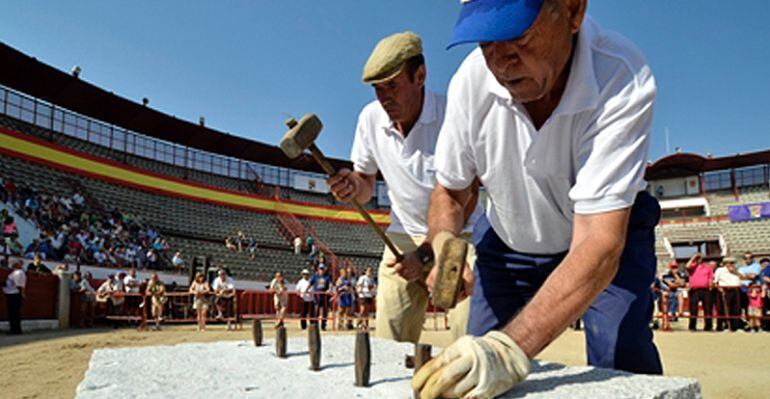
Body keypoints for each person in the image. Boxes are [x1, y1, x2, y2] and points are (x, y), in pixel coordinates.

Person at [401, 2, 667, 396]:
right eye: (486, 41)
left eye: (517, 34)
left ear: (573, 11)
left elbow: (599, 240)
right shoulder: (470, 82)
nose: (501, 61)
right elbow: (452, 192)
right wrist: (442, 243)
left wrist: (508, 351)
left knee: (621, 361)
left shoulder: (620, 75)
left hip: (604, 234)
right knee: (472, 372)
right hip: (509, 239)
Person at [327, 31, 482, 343]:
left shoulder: (454, 116)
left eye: (393, 86)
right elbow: (366, 184)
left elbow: (468, 194)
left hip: (461, 235)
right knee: (389, 339)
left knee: (469, 337)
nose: (385, 98)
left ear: (420, 76)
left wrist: (427, 253)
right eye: (378, 90)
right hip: (402, 234)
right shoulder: (370, 119)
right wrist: (350, 186)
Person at [686, 254, 715, 331]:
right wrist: (694, 257)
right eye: (697, 258)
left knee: (708, 308)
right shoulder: (692, 266)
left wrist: (710, 286)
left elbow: (710, 278)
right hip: (694, 290)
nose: (699, 259)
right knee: (693, 309)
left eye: (700, 258)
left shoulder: (708, 268)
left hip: (705, 290)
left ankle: (708, 326)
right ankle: (692, 326)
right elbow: (687, 266)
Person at [713, 257, 742, 332]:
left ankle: (735, 326)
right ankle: (725, 325)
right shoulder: (720, 270)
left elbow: (741, 278)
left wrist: (736, 272)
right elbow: (715, 281)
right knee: (724, 309)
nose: (732, 264)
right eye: (730, 263)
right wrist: (720, 289)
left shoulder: (736, 270)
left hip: (735, 290)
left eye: (733, 263)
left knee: (736, 309)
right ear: (726, 263)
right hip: (725, 290)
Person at [3, 260, 26, 335]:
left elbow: (19, 285)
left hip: (14, 295)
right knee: (14, 313)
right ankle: (15, 329)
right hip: (13, 294)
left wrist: (21, 294)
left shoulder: (18, 273)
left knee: (14, 313)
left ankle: (15, 330)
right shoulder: (16, 272)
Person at [738, 252, 761, 320]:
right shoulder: (741, 267)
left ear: (752, 258)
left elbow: (753, 276)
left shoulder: (756, 266)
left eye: (749, 258)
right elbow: (739, 277)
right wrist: (748, 276)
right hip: (742, 289)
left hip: (752, 290)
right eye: (745, 258)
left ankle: (755, 325)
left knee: (754, 308)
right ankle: (747, 323)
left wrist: (744, 276)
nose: (747, 259)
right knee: (743, 307)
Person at [309, 265, 332, 330]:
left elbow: (330, 284)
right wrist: (306, 290)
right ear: (318, 269)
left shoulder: (327, 277)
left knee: (325, 310)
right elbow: (310, 284)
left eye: (322, 269)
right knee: (316, 310)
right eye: (320, 269)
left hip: (325, 296)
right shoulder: (315, 277)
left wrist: (329, 290)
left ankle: (323, 324)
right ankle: (315, 324)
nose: (321, 270)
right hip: (317, 295)